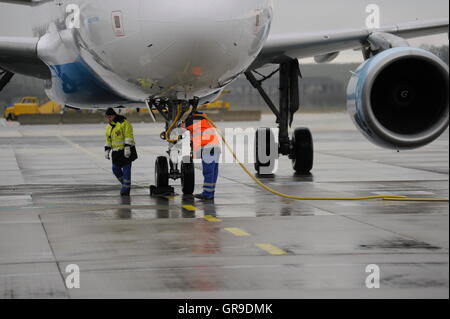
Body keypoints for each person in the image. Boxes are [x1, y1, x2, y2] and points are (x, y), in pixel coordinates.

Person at [182, 111, 221, 201]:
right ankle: (210, 193)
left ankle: (207, 194)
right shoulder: (205, 120)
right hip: (215, 148)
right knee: (213, 172)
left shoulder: (194, 121)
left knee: (208, 172)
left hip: (208, 149)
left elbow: (183, 128)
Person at [104, 108, 138, 196]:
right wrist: (107, 150)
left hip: (126, 151)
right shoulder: (108, 127)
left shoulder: (124, 123)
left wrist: (127, 148)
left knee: (126, 171)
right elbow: (108, 140)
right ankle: (125, 184)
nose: (109, 119)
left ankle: (126, 189)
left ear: (114, 115)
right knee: (115, 168)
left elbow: (128, 136)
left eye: (110, 117)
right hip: (116, 152)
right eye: (107, 117)